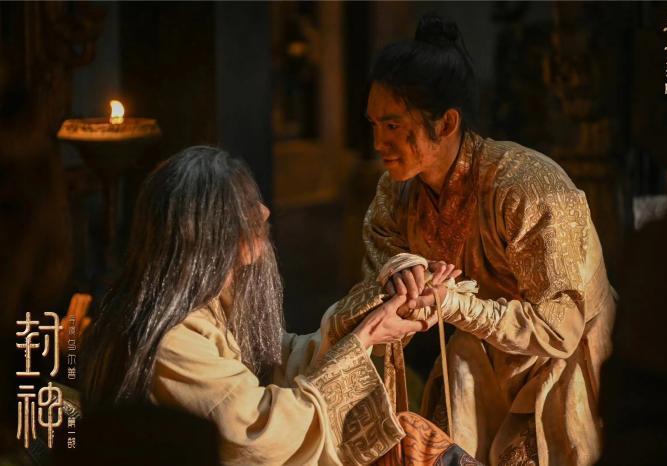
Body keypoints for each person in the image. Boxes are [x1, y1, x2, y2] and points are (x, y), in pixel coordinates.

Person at [354, 14, 616, 466]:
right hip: (477, 355)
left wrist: (454, 304)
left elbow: (561, 326)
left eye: (393, 126)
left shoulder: (526, 186)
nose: (378, 142)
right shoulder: (395, 194)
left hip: (559, 363)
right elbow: (379, 279)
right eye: (374, 124)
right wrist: (403, 276)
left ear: (446, 123)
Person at [81, 146, 439, 465]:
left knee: (414, 438)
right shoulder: (172, 339)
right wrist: (361, 340)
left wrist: (367, 320)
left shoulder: (212, 303)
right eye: (244, 205)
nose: (264, 212)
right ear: (204, 231)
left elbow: (274, 359)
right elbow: (254, 432)